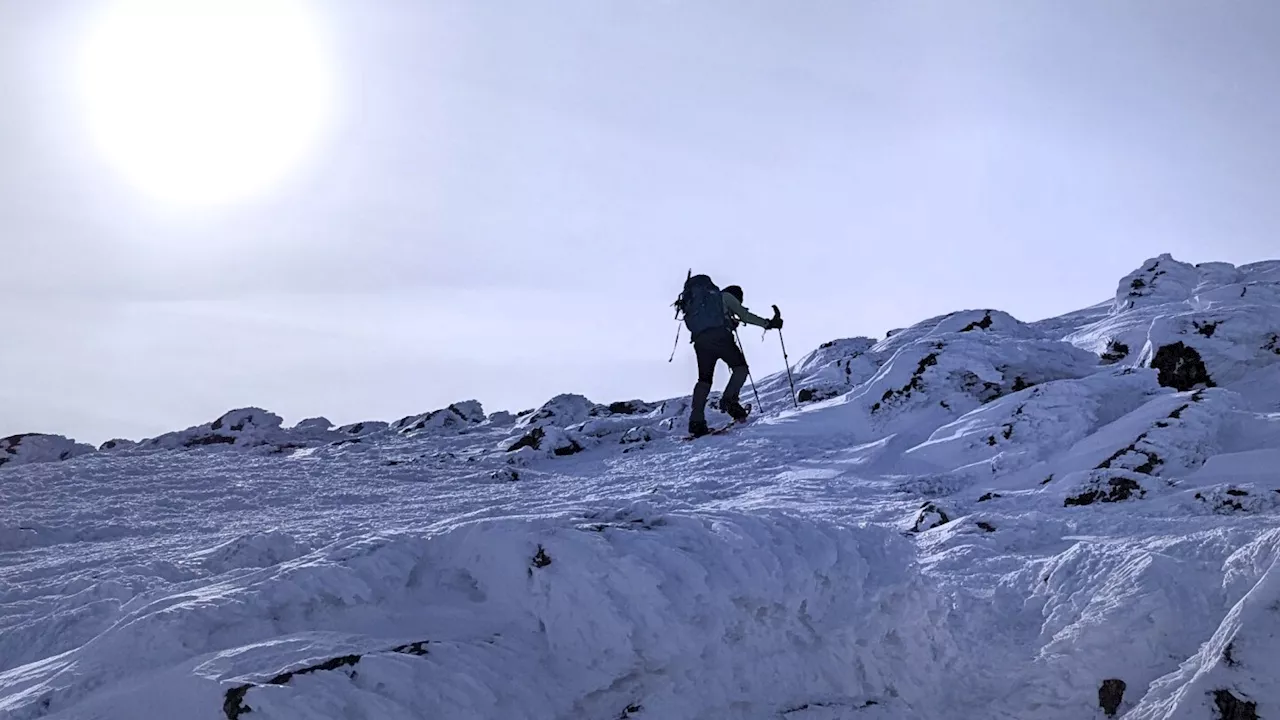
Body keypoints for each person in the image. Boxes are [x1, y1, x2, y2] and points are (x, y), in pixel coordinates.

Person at [677, 275, 783, 437]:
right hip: (721, 338)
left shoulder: (702, 302)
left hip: (700, 343)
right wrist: (768, 324)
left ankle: (696, 421)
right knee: (740, 369)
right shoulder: (726, 297)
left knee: (704, 380)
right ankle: (730, 401)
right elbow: (745, 316)